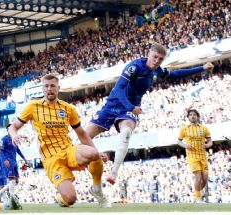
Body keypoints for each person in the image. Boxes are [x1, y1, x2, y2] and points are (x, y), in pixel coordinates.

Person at [86, 43, 214, 185]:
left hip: (130, 109)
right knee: (84, 137)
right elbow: (119, 89)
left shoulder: (157, 71)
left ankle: (114, 172)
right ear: (149, 54)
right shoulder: (134, 67)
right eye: (155, 57)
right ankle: (91, 168)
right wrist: (130, 106)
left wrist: (201, 68)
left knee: (126, 131)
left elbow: (175, 74)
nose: (157, 61)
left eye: (160, 59)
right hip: (113, 104)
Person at [8, 73, 110, 207]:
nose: (49, 89)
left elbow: (82, 134)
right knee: (71, 198)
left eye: (52, 86)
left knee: (93, 154)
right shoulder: (33, 106)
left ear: (58, 88)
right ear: (42, 89)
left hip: (68, 150)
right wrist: (14, 135)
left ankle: (97, 190)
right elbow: (13, 127)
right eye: (46, 86)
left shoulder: (68, 109)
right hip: (51, 159)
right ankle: (61, 198)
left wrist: (97, 151)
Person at [178, 109, 213, 203]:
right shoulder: (184, 129)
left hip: (203, 156)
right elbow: (179, 141)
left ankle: (197, 194)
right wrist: (185, 145)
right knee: (198, 177)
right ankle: (198, 198)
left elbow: (210, 142)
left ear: (198, 116)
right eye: (190, 115)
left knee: (205, 179)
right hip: (192, 157)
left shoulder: (204, 128)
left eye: (194, 115)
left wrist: (206, 145)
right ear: (188, 117)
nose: (192, 116)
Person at [0, 124, 27, 199]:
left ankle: (1, 192)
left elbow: (17, 149)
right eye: (9, 129)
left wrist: (24, 158)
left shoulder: (15, 138)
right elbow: (0, 150)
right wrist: (4, 160)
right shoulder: (4, 139)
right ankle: (11, 197)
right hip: (8, 161)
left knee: (16, 181)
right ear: (7, 130)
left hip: (14, 161)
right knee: (11, 179)